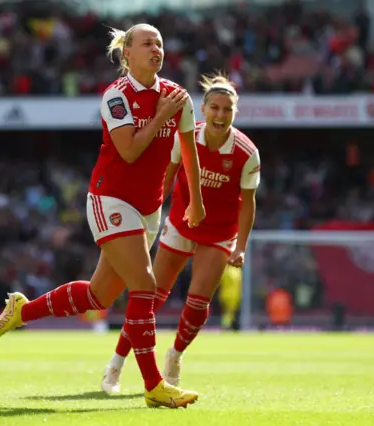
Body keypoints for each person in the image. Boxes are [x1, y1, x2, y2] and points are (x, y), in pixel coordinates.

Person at [0, 23, 205, 409]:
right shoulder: (116, 96)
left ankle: (22, 311)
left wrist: (196, 201)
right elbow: (131, 150)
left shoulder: (178, 97)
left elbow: (189, 153)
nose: (156, 49)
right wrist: (159, 117)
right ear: (128, 55)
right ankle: (154, 386)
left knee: (99, 295)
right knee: (144, 284)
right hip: (110, 200)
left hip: (149, 207)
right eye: (147, 43)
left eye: (160, 43)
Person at [101, 73, 260, 393]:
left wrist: (240, 247)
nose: (220, 115)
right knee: (148, 298)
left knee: (198, 303)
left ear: (235, 113)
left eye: (227, 109)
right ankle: (115, 365)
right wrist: (153, 217)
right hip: (180, 223)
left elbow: (248, 204)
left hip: (219, 233)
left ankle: (175, 354)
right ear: (203, 109)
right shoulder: (185, 137)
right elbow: (166, 176)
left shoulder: (247, 153)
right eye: (214, 108)